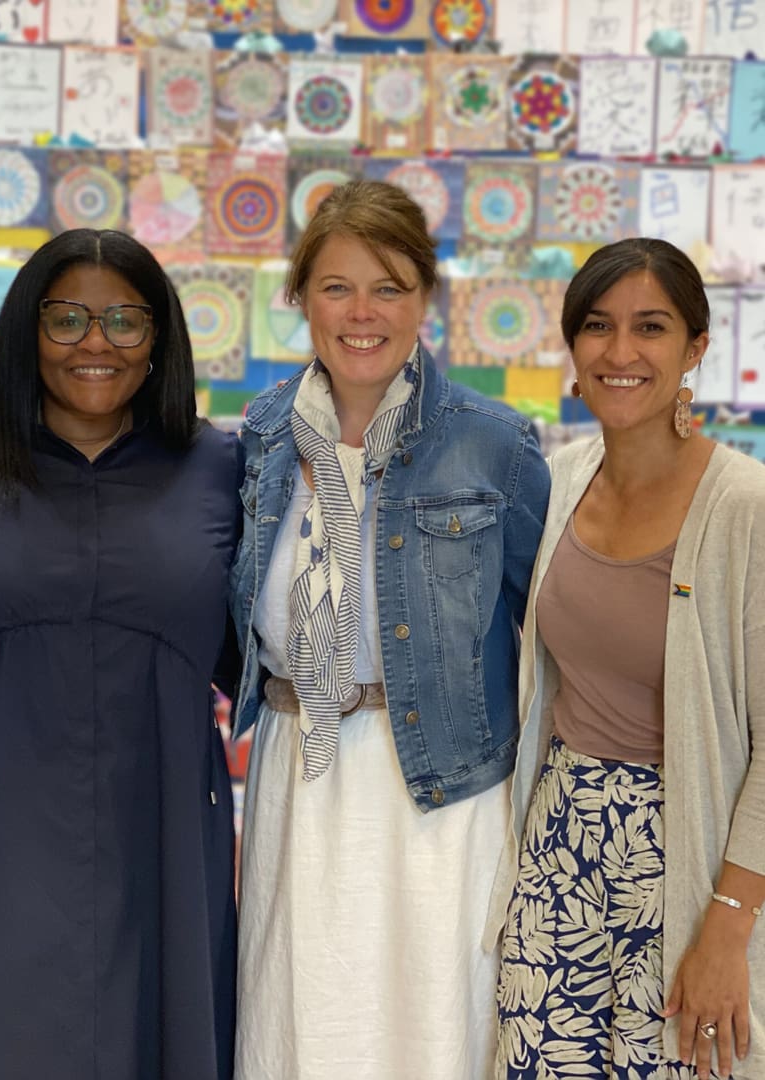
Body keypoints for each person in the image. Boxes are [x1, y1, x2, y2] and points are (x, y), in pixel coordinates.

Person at [0, 228, 241, 1080]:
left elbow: (264, 653)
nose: (96, 342)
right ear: (25, 331)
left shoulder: (221, 466)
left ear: (160, 337)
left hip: (161, 827)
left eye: (125, 319)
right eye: (68, 318)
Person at [228, 178, 551, 1079]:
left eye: (390, 287)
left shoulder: (496, 445)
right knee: (299, 1027)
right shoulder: (259, 438)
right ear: (298, 299)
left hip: (439, 791)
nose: (361, 313)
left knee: (429, 1030)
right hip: (303, 772)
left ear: (426, 300)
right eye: (336, 287)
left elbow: (547, 637)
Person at [488, 237, 765, 1080]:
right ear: (571, 348)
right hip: (558, 845)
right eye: (598, 327)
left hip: (686, 855)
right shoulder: (560, 479)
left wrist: (727, 925)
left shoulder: (745, 507)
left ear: (696, 349)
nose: (620, 352)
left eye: (651, 326)